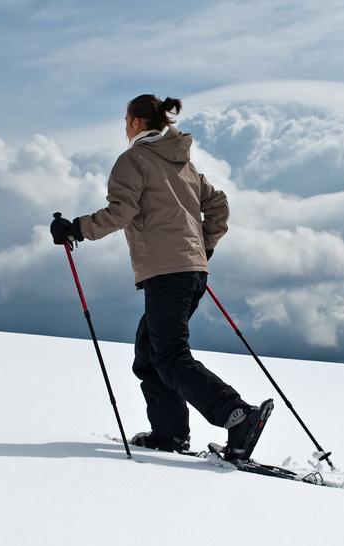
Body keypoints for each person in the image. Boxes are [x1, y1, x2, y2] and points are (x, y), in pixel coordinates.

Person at [51, 94, 272, 461]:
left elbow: (121, 211)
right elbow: (218, 204)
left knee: (168, 356)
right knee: (150, 354)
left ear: (137, 122)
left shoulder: (133, 160)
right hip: (190, 271)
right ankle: (169, 435)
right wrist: (203, 247)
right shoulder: (182, 163)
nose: (124, 127)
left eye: (126, 120)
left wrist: (75, 229)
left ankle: (238, 416)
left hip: (169, 272)